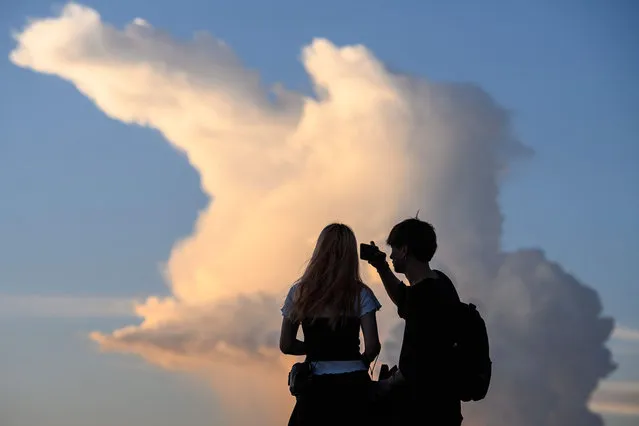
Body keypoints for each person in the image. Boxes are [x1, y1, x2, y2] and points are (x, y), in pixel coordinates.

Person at [279, 223, 383, 426]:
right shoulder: (361, 293)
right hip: (355, 389)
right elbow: (373, 346)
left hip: (315, 390)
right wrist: (358, 359)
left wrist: (318, 346)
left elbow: (286, 345)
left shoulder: (299, 293)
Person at [366, 217, 463, 426]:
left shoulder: (424, 298)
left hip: (423, 410)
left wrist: (383, 386)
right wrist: (382, 267)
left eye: (394, 248)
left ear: (405, 250)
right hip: (447, 407)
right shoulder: (440, 282)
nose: (391, 255)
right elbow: (404, 299)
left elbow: (416, 367)